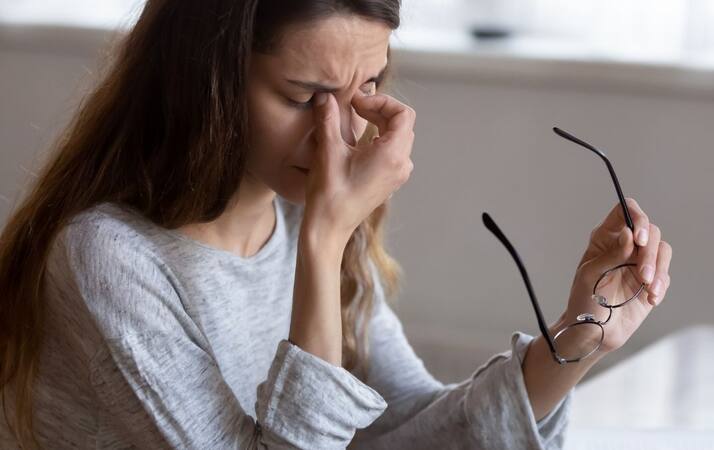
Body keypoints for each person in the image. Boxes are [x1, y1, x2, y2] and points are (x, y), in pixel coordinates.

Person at [0, 1, 673, 448]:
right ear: (205, 79)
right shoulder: (106, 259)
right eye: (304, 96)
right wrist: (326, 239)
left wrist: (581, 334)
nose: (343, 133)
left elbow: (405, 427)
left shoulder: (296, 218)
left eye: (366, 89)